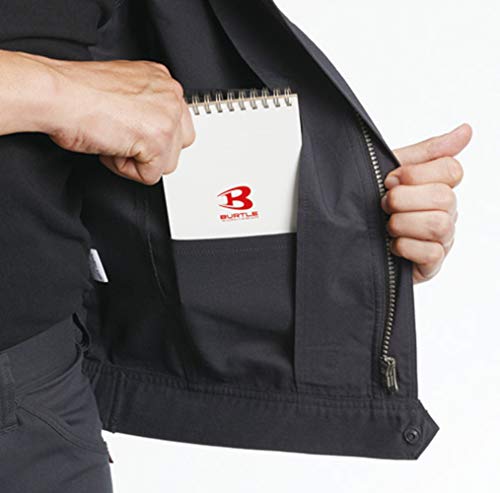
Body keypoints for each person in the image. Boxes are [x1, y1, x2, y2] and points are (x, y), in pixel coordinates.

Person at [0, 1, 470, 491]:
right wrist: (60, 92)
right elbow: (81, 97)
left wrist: (349, 216)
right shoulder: (64, 91)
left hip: (37, 397)